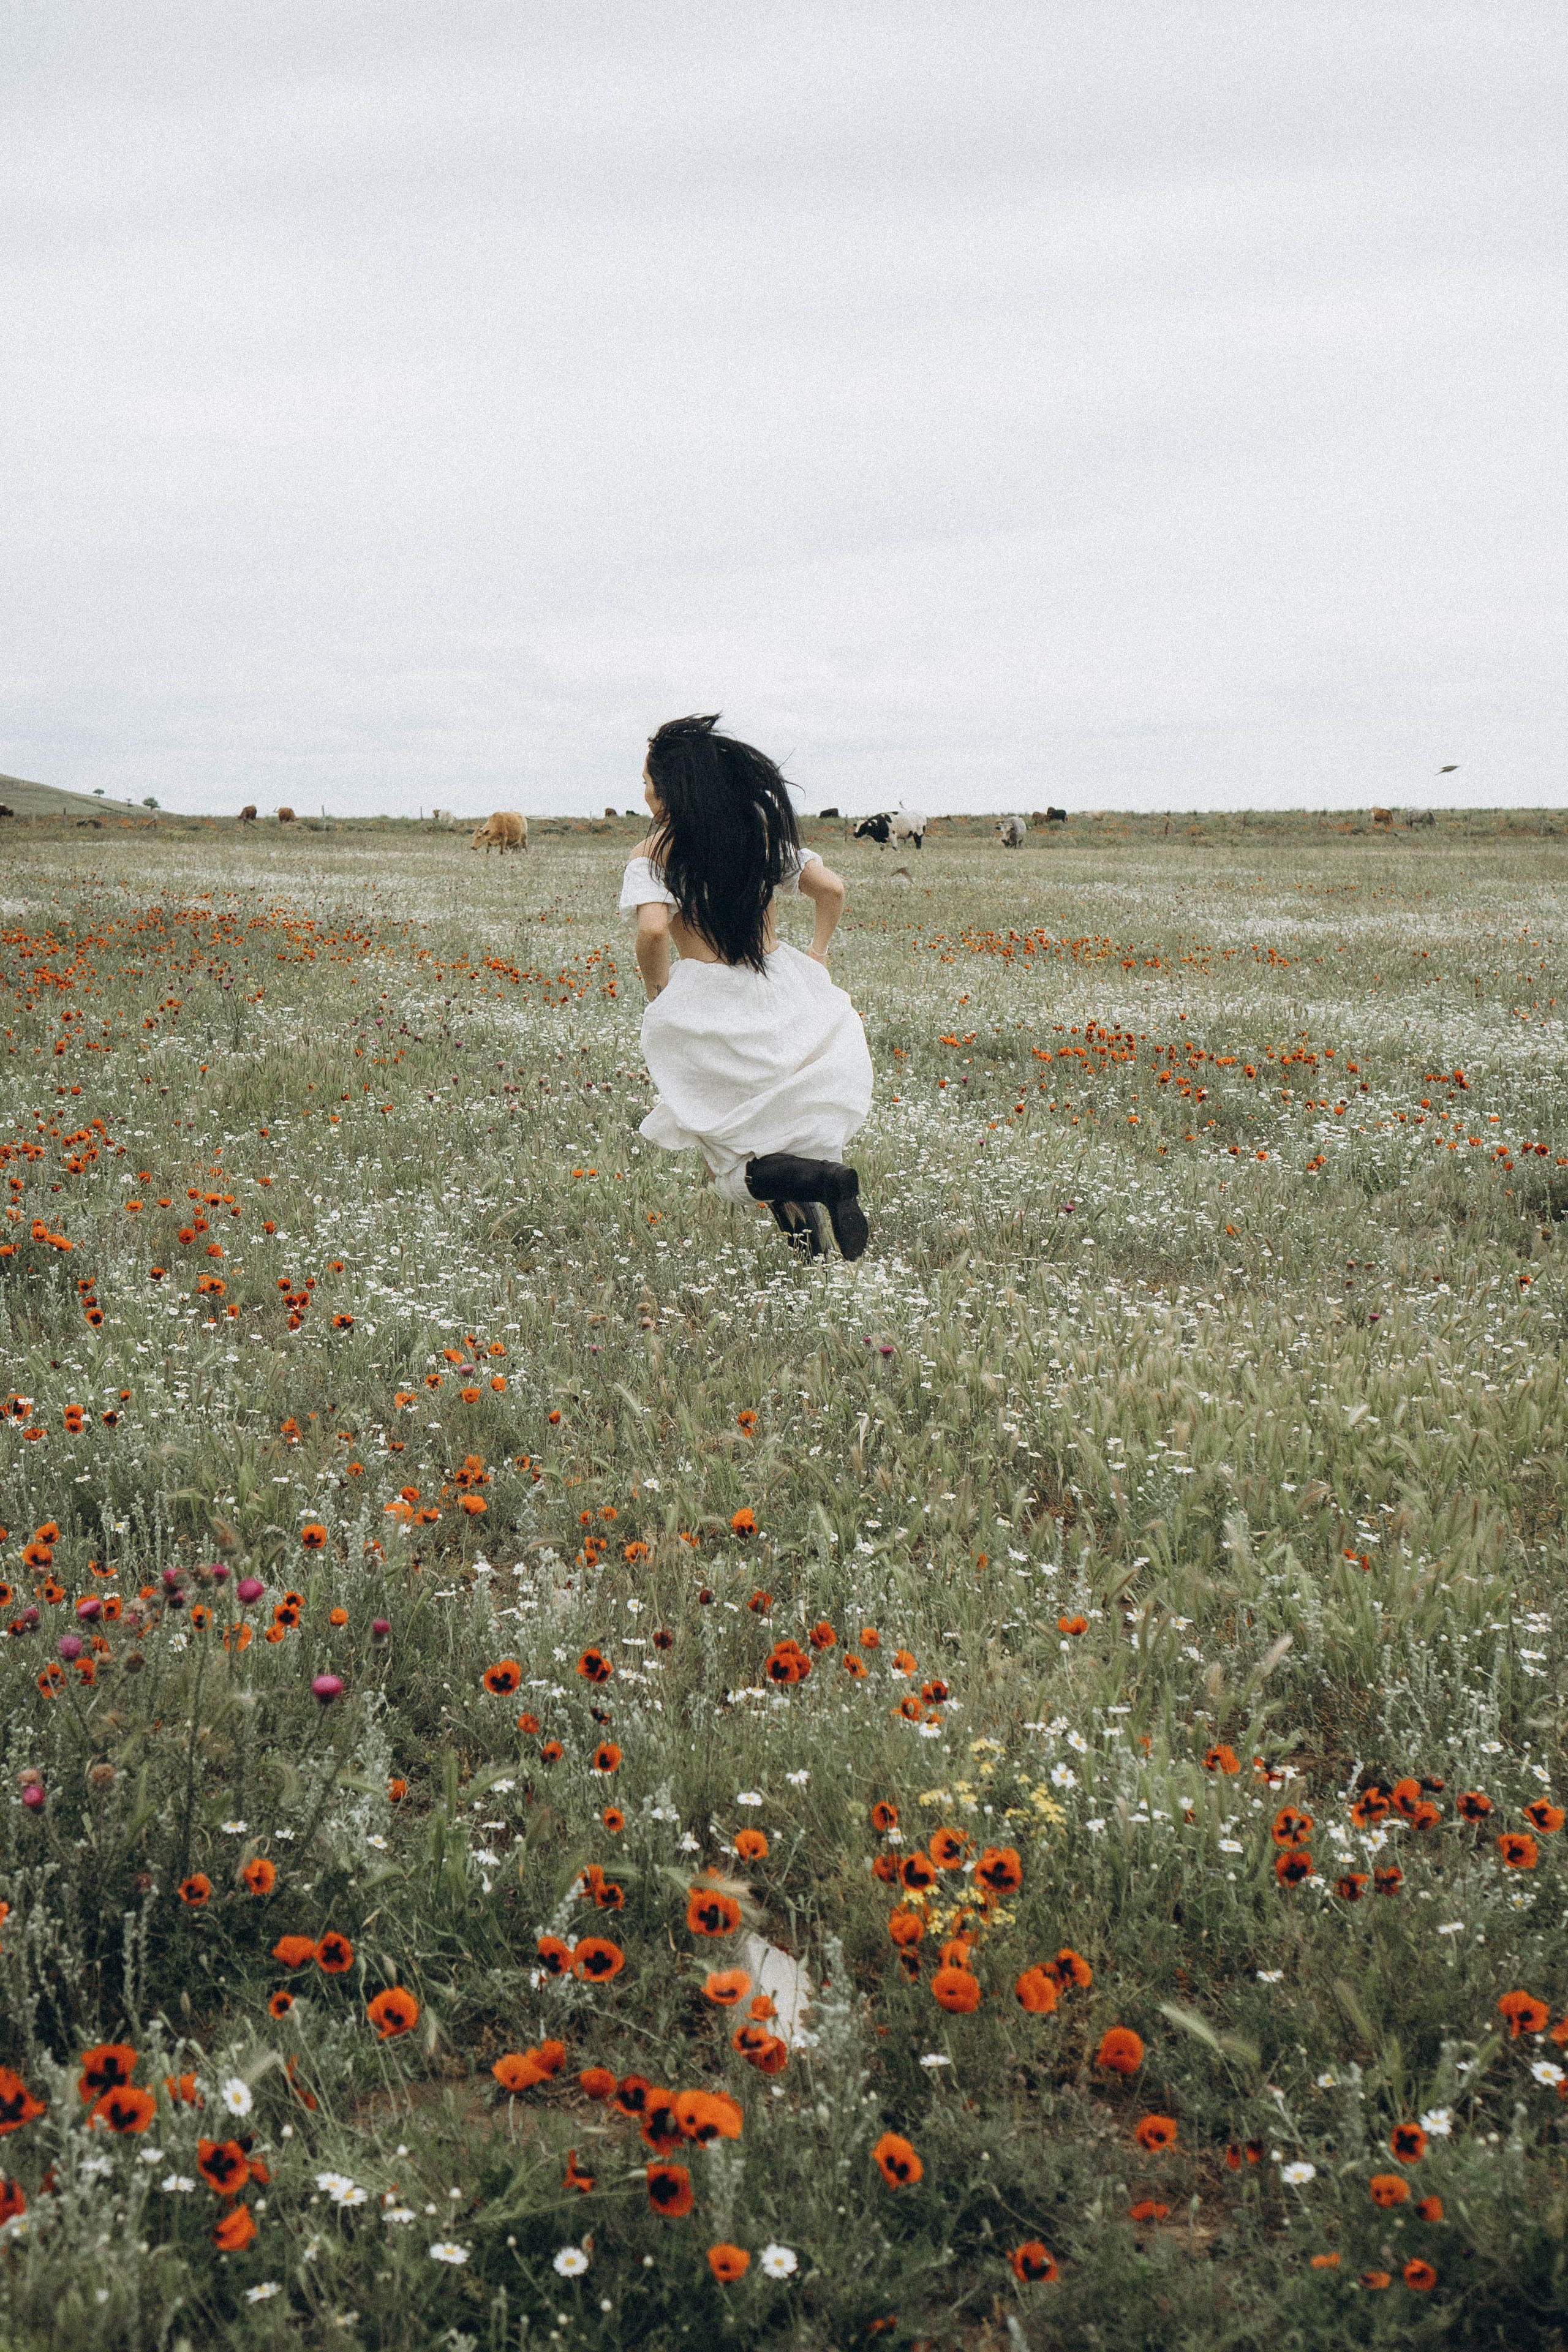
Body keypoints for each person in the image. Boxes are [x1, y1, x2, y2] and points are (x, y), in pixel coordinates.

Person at [619, 713, 873, 1259]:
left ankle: (824, 1184)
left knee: (729, 1158)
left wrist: (657, 990)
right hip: (784, 990)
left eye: (646, 783)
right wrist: (818, 954)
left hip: (709, 1001)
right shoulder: (756, 833)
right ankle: (814, 1238)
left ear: (669, 793)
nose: (642, 794)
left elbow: (654, 929)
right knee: (785, 1126)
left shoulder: (653, 854)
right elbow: (830, 888)